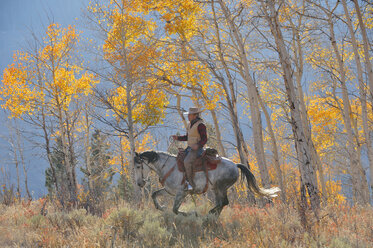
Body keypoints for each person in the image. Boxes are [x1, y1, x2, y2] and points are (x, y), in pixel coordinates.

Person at [172, 107, 207, 191]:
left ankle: (191, 184)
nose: (188, 116)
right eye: (188, 115)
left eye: (190, 115)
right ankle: (182, 181)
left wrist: (198, 145)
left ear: (195, 115)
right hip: (190, 148)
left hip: (198, 149)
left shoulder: (201, 125)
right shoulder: (190, 124)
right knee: (179, 158)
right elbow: (187, 137)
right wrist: (178, 138)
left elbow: (204, 139)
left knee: (187, 162)